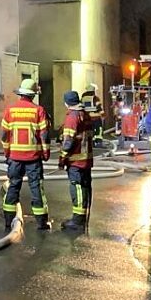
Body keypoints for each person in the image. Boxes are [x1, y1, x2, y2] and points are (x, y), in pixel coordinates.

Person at [1, 78, 52, 230]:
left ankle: (8, 220)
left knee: (13, 187)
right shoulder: (39, 110)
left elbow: (4, 135)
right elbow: (44, 135)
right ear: (33, 94)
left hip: (14, 157)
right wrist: (45, 152)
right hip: (33, 158)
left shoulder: (10, 110)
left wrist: (7, 151)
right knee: (36, 187)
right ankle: (41, 223)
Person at [58, 90, 94, 231]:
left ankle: (78, 221)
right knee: (85, 187)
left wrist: (62, 158)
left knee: (77, 187)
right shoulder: (85, 114)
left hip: (75, 160)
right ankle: (82, 217)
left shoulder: (72, 117)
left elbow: (68, 141)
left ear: (66, 103)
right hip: (86, 159)